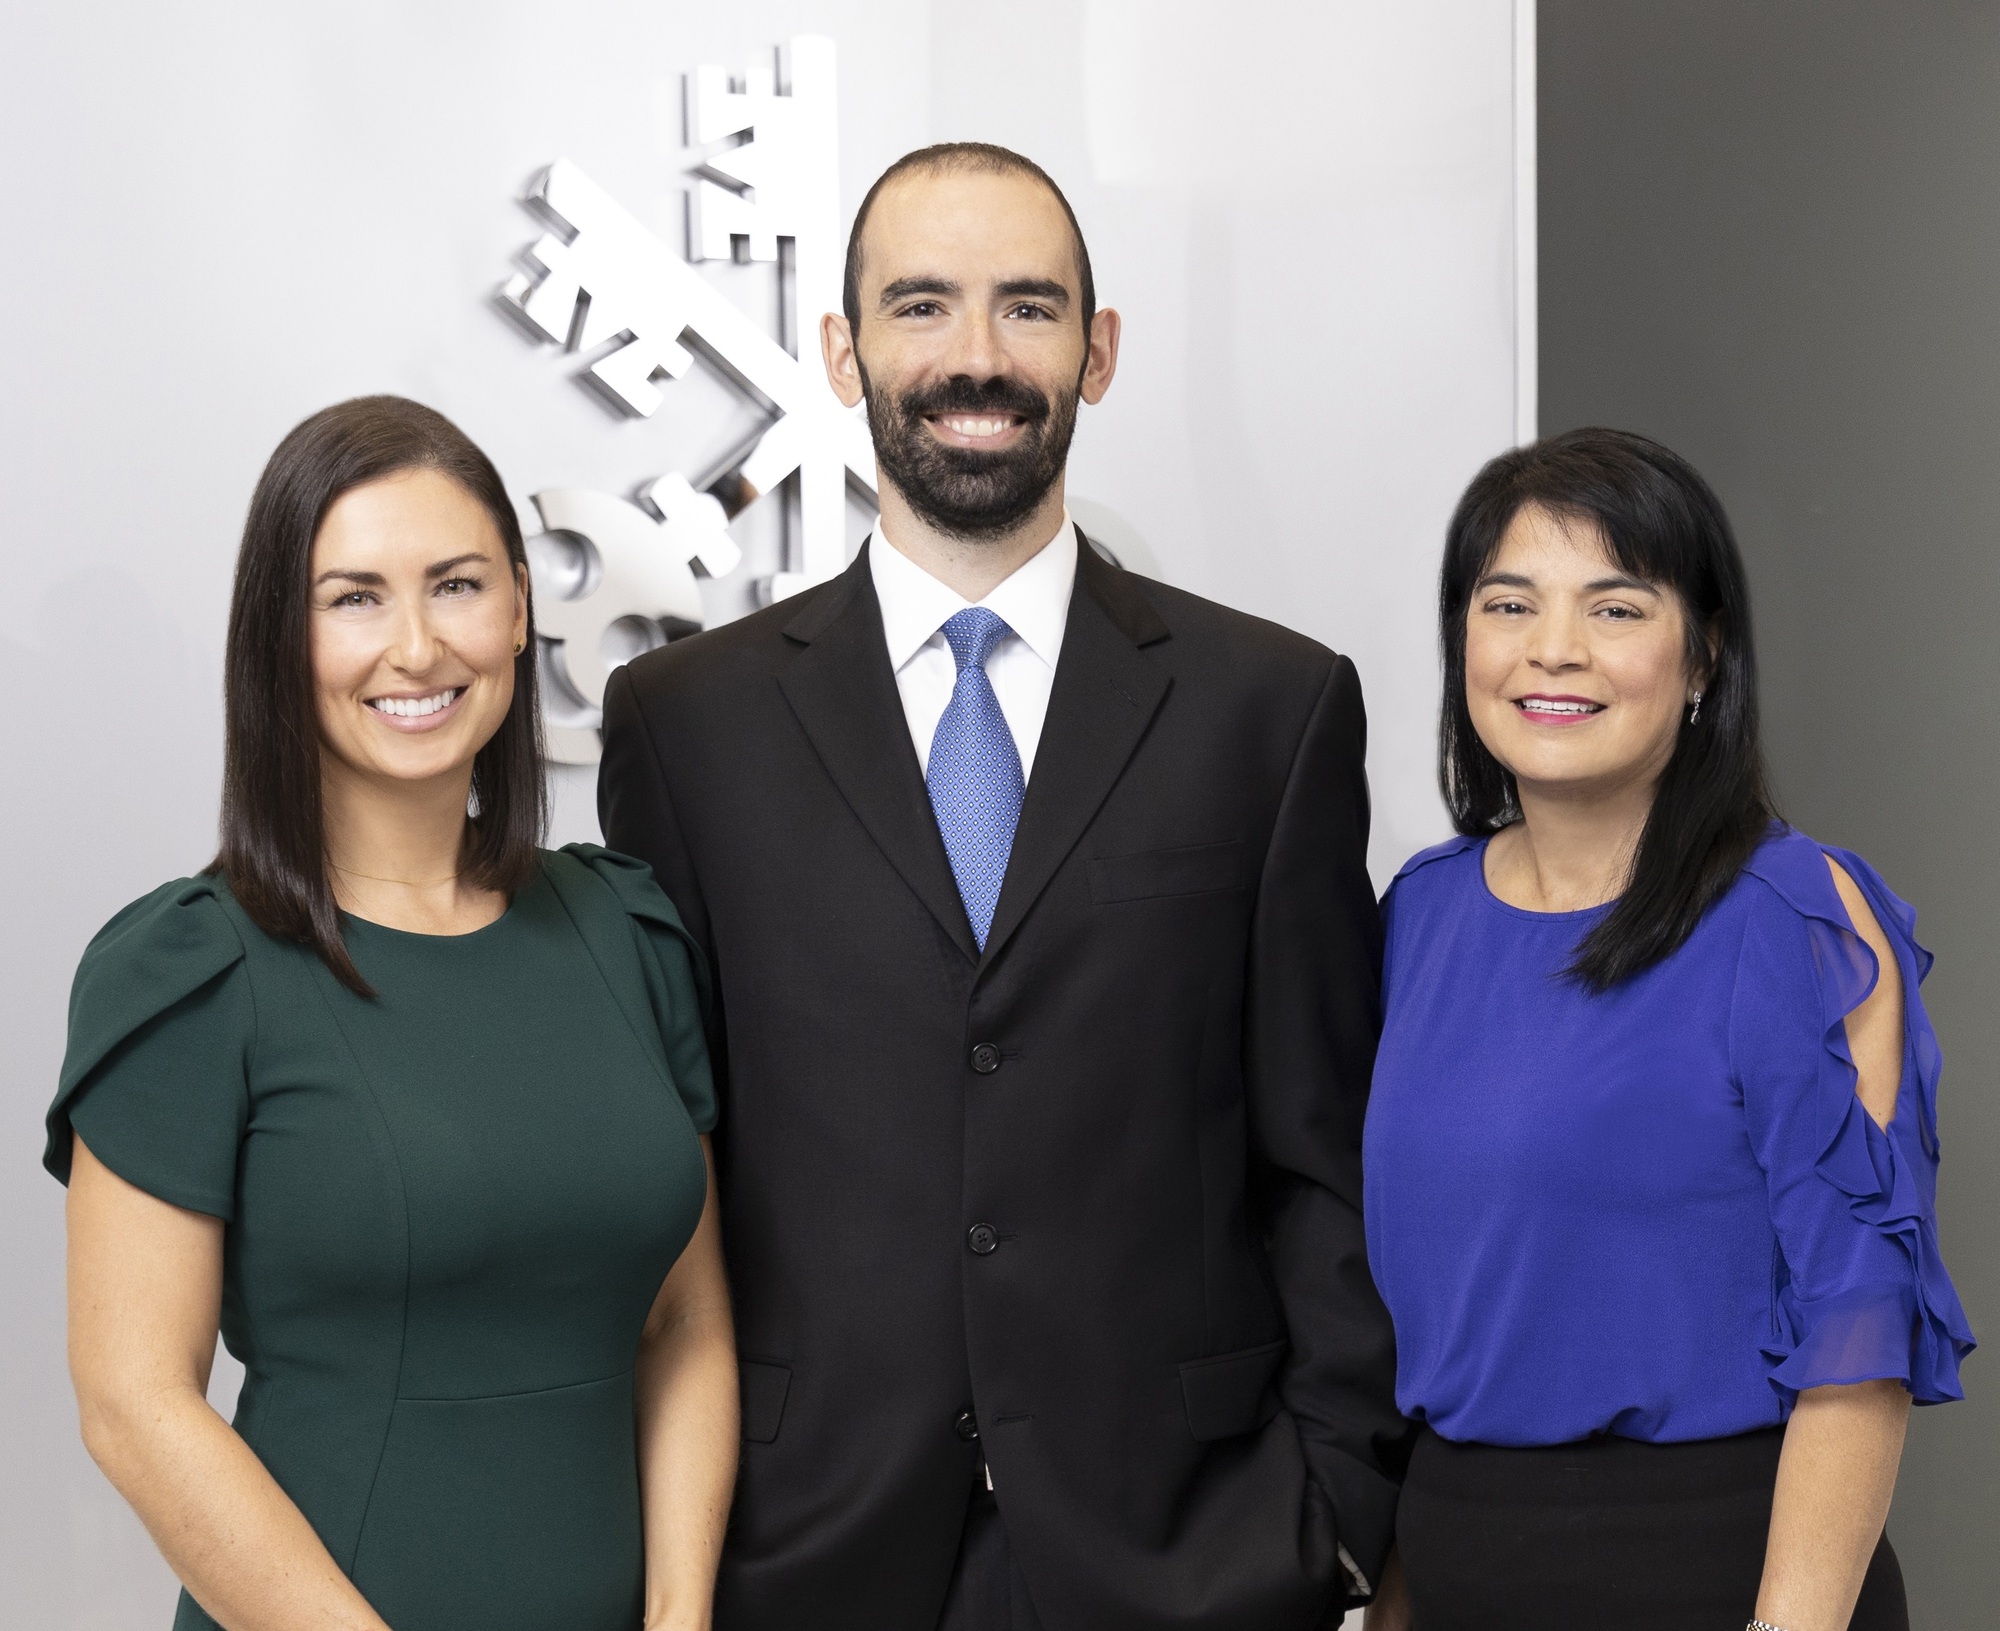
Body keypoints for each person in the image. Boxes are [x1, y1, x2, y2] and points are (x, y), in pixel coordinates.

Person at [598, 143, 1405, 1631]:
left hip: (1189, 1553)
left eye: (1028, 307)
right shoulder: (684, 726)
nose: (976, 356)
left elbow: (1326, 1150)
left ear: (1098, 352)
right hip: (801, 1552)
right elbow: (667, 1167)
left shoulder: (1268, 707)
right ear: (842, 351)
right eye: (921, 305)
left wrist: (1335, 1509)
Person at [48, 397, 737, 1631]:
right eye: (353, 597)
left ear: (519, 606)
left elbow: (683, 1321)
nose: (415, 647)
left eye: (456, 584)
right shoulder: (191, 968)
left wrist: (679, 1615)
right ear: (280, 637)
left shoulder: (625, 931)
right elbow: (134, 1404)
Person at [1361, 428, 1975, 1631]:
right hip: (1453, 1561)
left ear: (1702, 658)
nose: (1552, 648)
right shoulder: (1416, 915)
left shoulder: (1791, 916)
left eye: (1614, 606)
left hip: (1717, 1571)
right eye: (1508, 603)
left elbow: (1858, 1331)